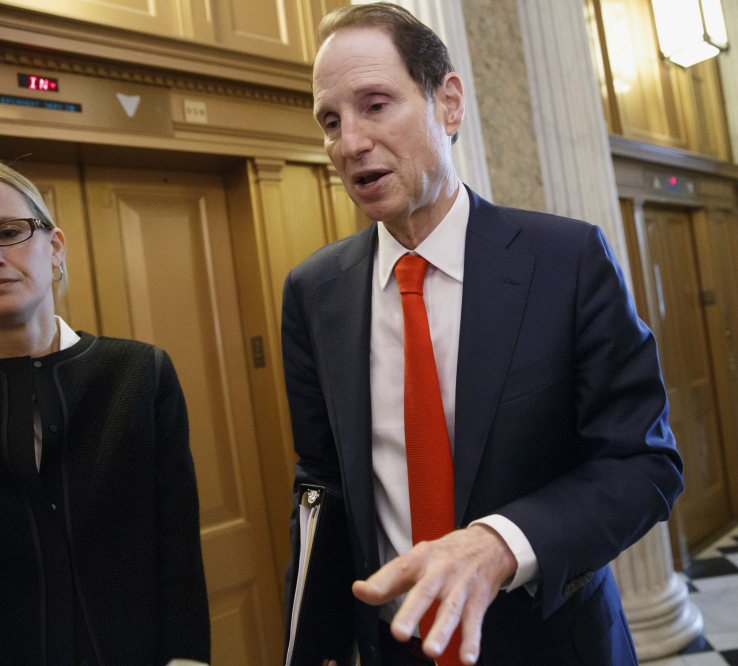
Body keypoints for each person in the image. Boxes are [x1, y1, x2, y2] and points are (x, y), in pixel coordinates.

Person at [281, 4, 683, 665]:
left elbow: (643, 464)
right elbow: (320, 480)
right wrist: (314, 642)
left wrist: (500, 544)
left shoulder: (566, 261)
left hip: (549, 640)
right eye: (330, 120)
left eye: (375, 105)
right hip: (396, 645)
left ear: (448, 103)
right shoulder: (313, 292)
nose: (349, 142)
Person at [0, 154, 211, 665]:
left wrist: (187, 659)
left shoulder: (139, 373)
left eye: (8, 231)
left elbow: (176, 545)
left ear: (54, 246)